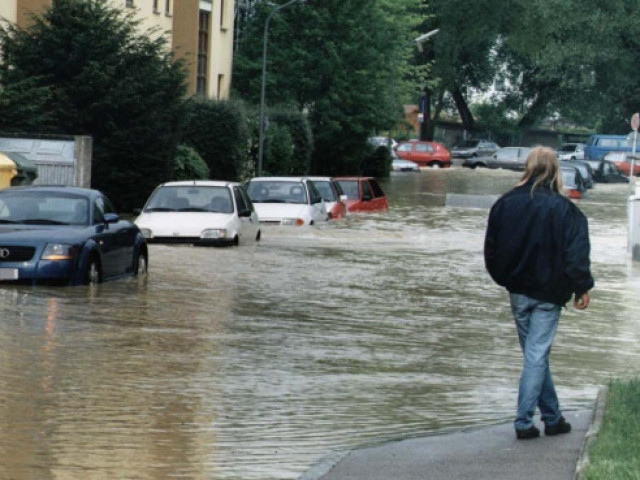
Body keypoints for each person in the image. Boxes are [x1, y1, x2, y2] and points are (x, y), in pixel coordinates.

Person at [484, 146, 594, 440]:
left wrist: (506, 280)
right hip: (549, 293)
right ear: (555, 170)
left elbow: (492, 252)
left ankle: (553, 418)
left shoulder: (505, 204)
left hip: (517, 290)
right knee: (536, 355)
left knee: (535, 355)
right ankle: (523, 422)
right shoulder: (566, 210)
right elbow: (576, 255)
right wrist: (581, 286)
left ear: (527, 168)